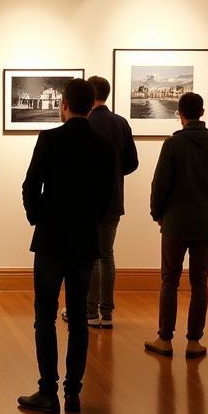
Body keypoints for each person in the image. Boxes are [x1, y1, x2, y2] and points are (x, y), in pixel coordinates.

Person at [18, 77, 114, 414]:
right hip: (85, 239)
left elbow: (31, 186)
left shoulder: (49, 138)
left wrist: (38, 217)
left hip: (51, 238)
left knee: (44, 316)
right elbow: (107, 197)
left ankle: (48, 391)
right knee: (77, 317)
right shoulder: (103, 145)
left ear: (64, 104)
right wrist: (90, 219)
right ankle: (73, 392)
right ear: (91, 106)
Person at [145, 92, 208, 360]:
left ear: (179, 113)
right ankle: (194, 341)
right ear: (202, 112)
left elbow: (160, 185)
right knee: (200, 282)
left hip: (175, 221)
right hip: (206, 222)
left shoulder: (173, 145)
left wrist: (157, 213)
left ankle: (165, 339)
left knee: (169, 280)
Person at [83, 75, 138, 329]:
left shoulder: (86, 123)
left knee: (91, 255)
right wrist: (115, 174)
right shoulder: (120, 123)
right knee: (107, 254)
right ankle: (107, 313)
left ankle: (89, 311)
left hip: (89, 199)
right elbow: (132, 163)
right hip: (114, 197)